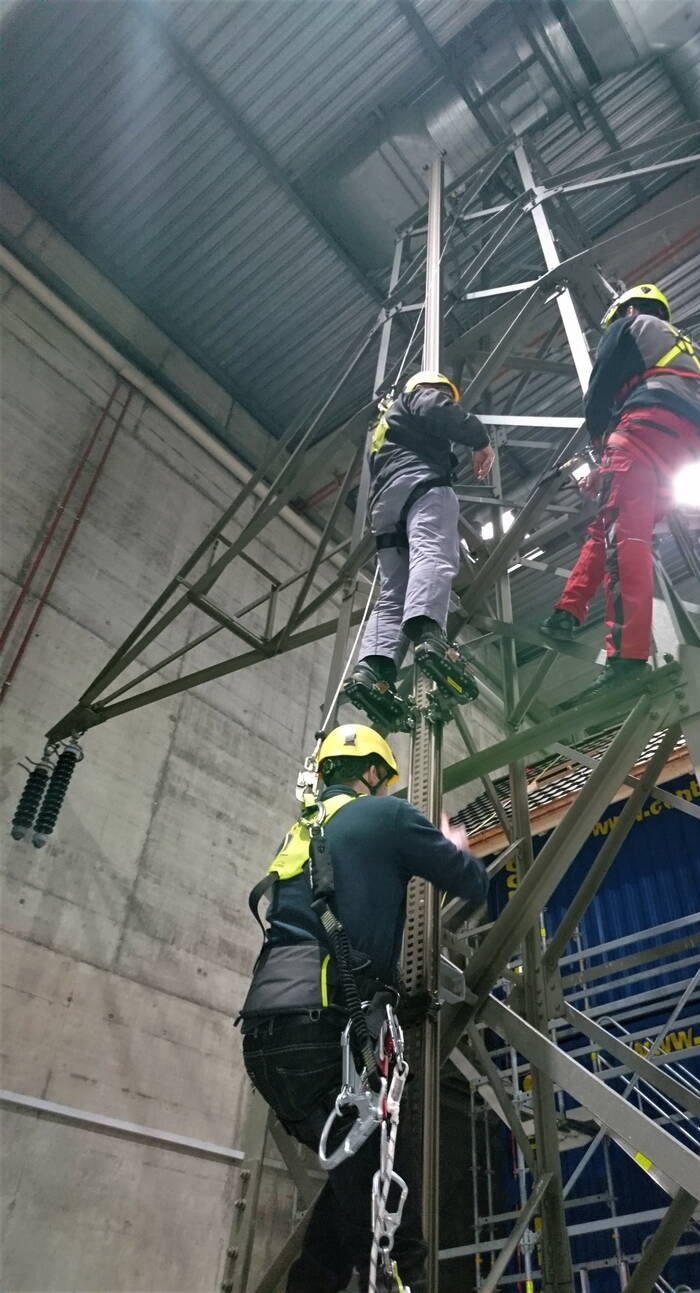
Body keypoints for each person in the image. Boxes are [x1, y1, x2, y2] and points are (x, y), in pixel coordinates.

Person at [237, 723, 489, 1293]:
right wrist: (454, 845)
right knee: (390, 1212)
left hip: (268, 1044)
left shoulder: (299, 834)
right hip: (330, 1035)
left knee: (356, 1175)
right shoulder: (386, 816)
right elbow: (471, 882)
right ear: (374, 772)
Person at [539, 283, 700, 693]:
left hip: (644, 426)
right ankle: (567, 611)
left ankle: (627, 658)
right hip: (690, 447)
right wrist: (608, 471)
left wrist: (602, 444)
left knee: (624, 543)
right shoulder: (694, 351)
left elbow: (599, 389)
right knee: (613, 526)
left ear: (629, 308)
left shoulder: (630, 324)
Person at [346, 371, 495, 727]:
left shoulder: (383, 429)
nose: (448, 400)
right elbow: (436, 408)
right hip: (421, 484)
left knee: (393, 592)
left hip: (385, 506)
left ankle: (373, 671)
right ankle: (428, 634)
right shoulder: (416, 399)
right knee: (434, 553)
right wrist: (480, 440)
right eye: (446, 395)